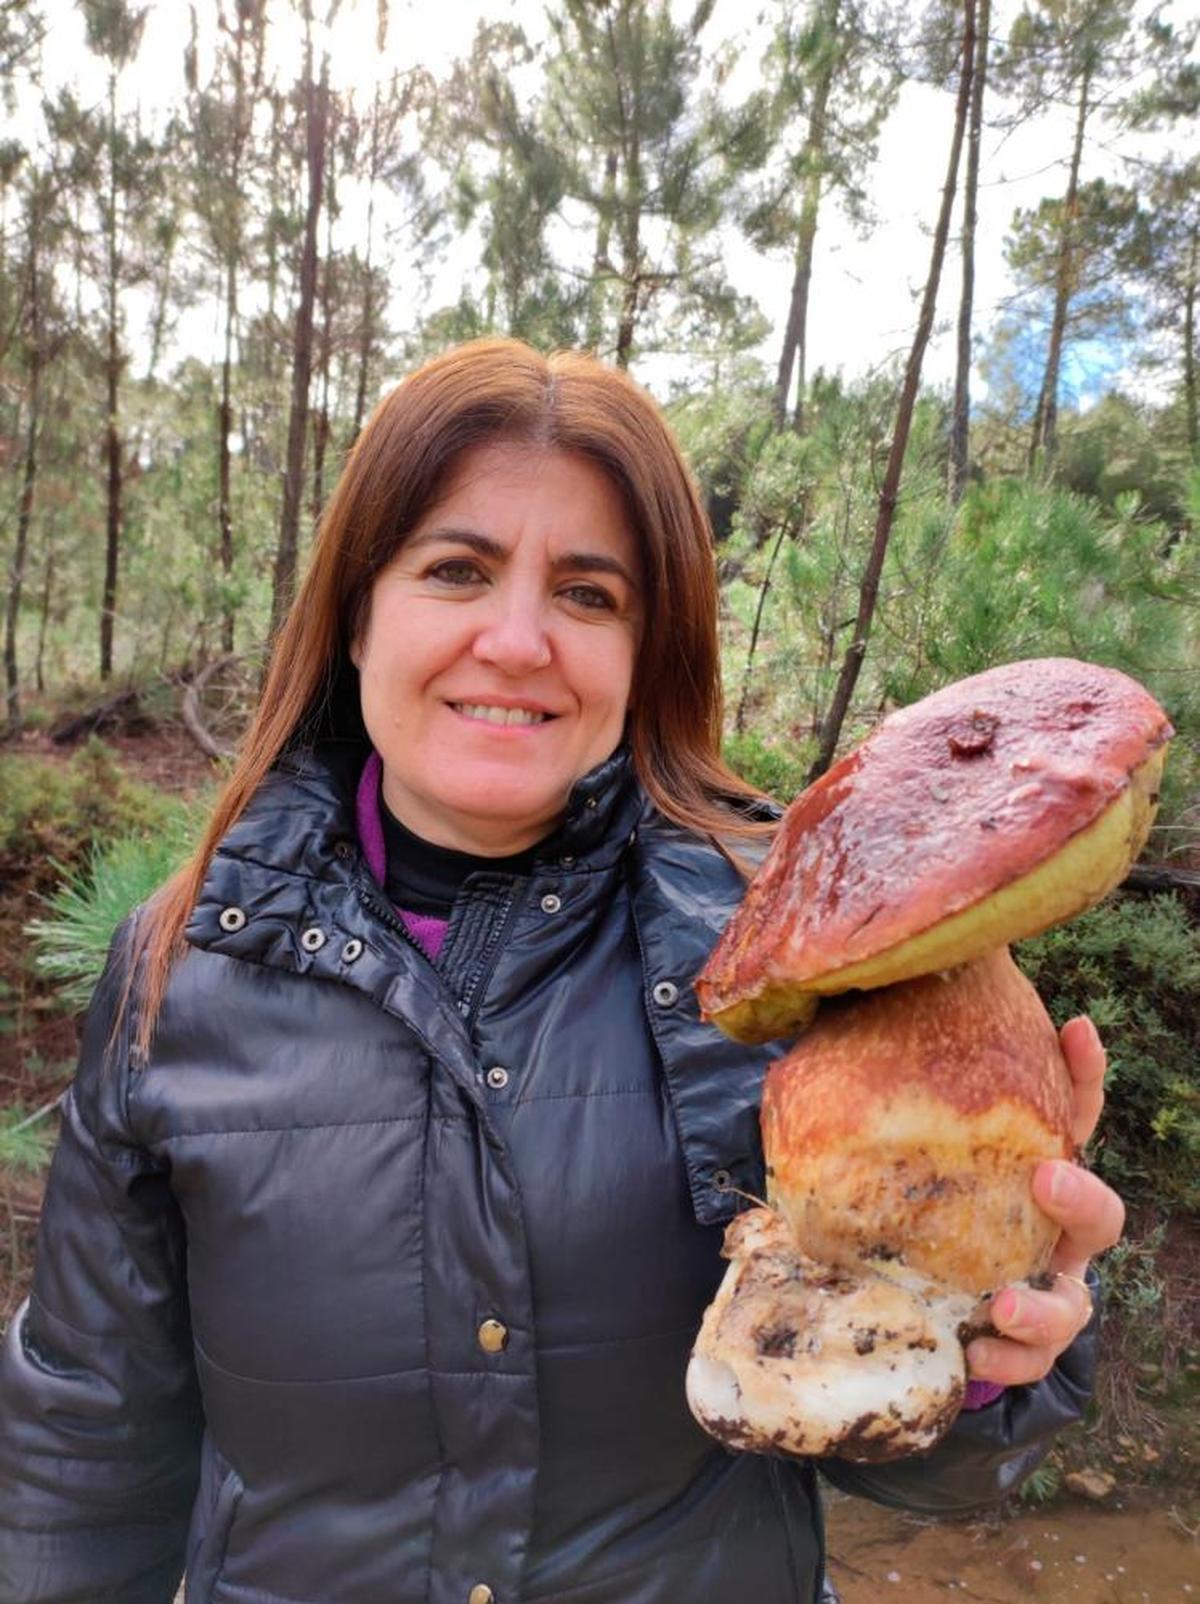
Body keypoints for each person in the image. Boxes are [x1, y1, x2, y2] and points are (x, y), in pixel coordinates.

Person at [0, 339, 1122, 1604]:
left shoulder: (789, 948)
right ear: (357, 614)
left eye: (589, 594)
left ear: (648, 648)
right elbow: (87, 1436)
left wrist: (990, 1353)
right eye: (457, 569)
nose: (519, 639)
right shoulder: (179, 961)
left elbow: (918, 1462)